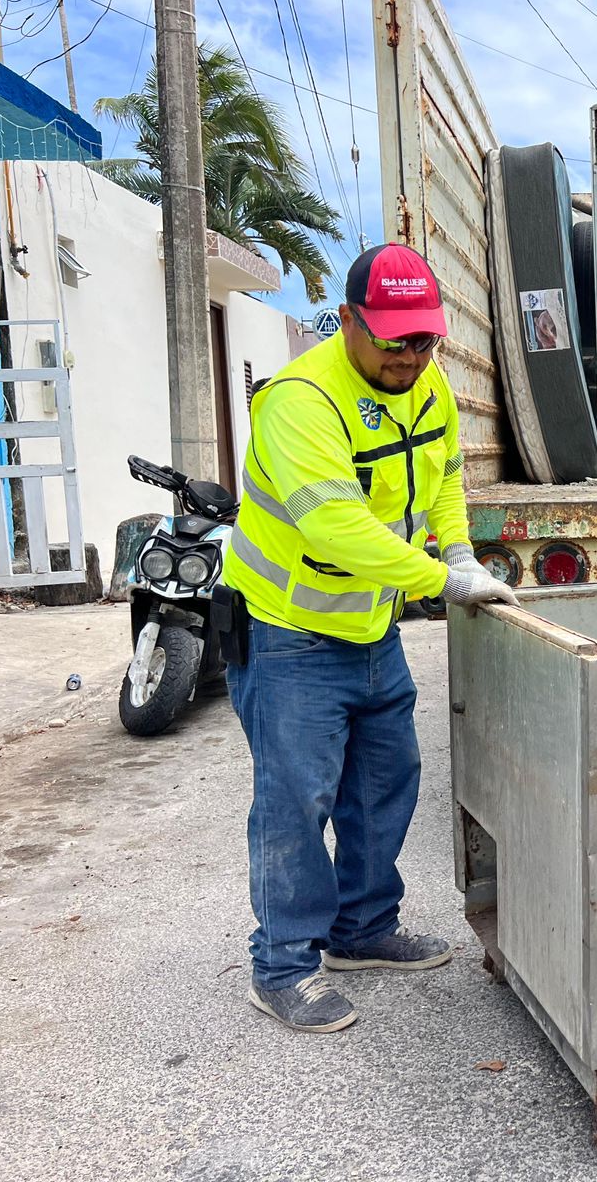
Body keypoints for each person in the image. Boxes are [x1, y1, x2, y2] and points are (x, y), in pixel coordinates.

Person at [220, 242, 518, 1034]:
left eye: (425, 340)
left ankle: (361, 928)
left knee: (386, 780)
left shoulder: (429, 391)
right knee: (295, 798)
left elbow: (446, 479)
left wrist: (458, 551)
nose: (412, 357)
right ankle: (282, 963)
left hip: (368, 627)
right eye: (394, 341)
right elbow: (338, 528)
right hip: (290, 635)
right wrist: (439, 581)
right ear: (349, 321)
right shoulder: (300, 401)